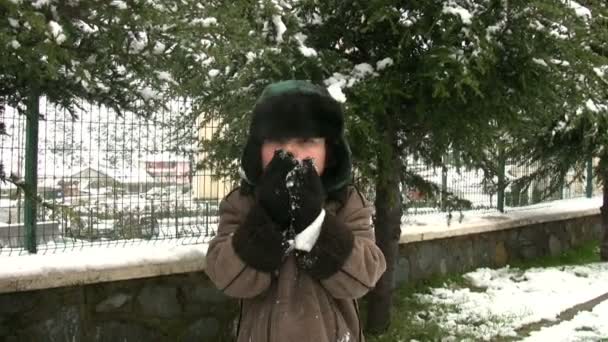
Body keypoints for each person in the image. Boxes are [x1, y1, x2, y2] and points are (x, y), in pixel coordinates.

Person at [205, 80, 387, 342]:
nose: (289, 151)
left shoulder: (347, 203)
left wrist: (315, 225)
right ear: (258, 149)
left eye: (305, 140)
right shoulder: (242, 203)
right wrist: (267, 218)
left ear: (329, 151)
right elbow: (229, 279)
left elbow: (361, 279)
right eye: (277, 140)